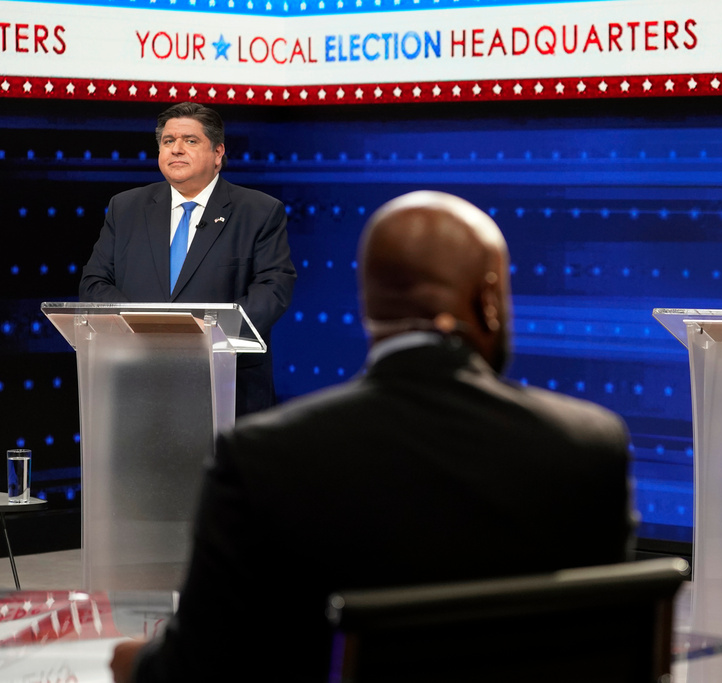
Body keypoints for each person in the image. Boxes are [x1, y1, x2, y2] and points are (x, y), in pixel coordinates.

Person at [109, 190, 636, 683]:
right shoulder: (589, 445)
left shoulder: (264, 456)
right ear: (490, 298)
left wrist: (135, 663)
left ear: (368, 307)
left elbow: (202, 662)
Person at [79, 102, 296, 416]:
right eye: (168, 141)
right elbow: (94, 283)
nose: (176, 149)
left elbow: (274, 288)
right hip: (136, 384)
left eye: (190, 141)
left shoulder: (259, 211)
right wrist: (141, 331)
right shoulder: (126, 208)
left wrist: (208, 337)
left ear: (218, 153)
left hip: (226, 387)